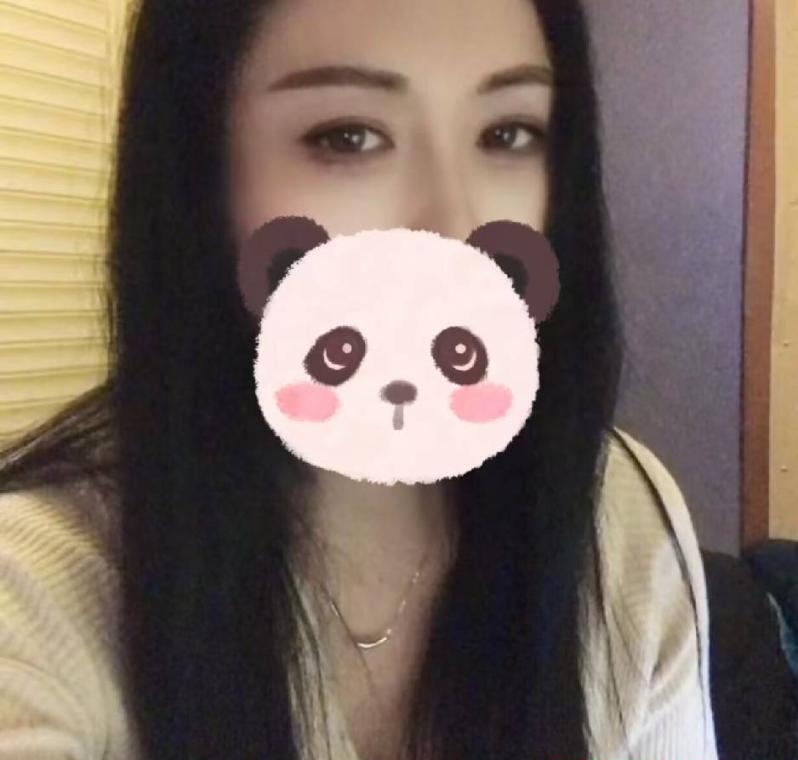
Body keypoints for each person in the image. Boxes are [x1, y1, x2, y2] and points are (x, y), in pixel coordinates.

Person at [0, 1, 719, 759]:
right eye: (349, 136)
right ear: (198, 169)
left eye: (507, 134)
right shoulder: (38, 587)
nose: (456, 228)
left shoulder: (619, 515)